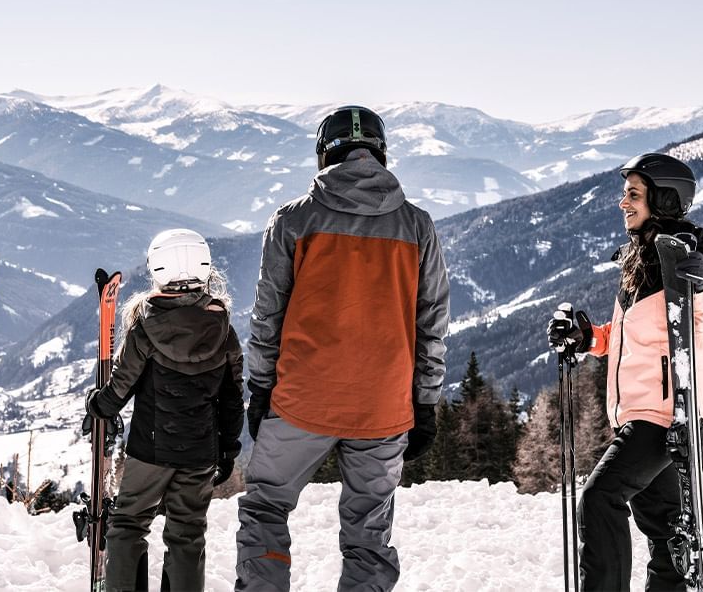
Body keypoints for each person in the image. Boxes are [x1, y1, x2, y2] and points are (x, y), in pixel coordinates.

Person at [234, 105, 450, 591]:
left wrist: (260, 388)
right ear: (381, 154)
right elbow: (432, 321)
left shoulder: (294, 220)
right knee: (368, 534)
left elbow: (267, 314)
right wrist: (426, 402)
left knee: (267, 505)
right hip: (383, 405)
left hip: (302, 400)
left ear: (322, 155)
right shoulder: (417, 226)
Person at [547, 153, 703, 592]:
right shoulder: (641, 259)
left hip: (664, 420)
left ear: (662, 199)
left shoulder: (685, 255)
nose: (622, 202)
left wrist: (700, 285)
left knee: (599, 499)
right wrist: (589, 338)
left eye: (633, 194)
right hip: (642, 417)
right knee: (668, 537)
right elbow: (636, 337)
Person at [86, 228, 244, 592]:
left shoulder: (145, 329)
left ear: (157, 267)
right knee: (187, 534)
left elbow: (118, 392)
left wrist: (95, 405)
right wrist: (228, 451)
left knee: (128, 524)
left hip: (150, 450)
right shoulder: (224, 330)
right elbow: (233, 400)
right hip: (201, 452)